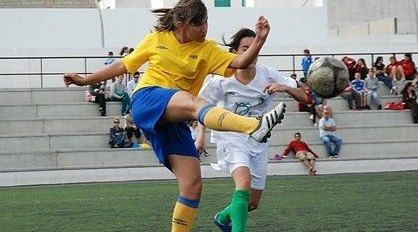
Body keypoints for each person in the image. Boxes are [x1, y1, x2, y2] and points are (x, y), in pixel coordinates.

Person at [63, 1, 281, 230]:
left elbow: (241, 62)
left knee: (192, 185)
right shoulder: (156, 39)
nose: (205, 28)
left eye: (207, 21)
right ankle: (252, 126)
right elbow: (124, 66)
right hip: (147, 100)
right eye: (198, 24)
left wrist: (260, 39)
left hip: (174, 118)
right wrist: (85, 80)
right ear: (180, 24)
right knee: (193, 102)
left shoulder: (207, 49)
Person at [196, 28, 307, 232]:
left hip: (258, 141)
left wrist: (285, 88)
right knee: (243, 182)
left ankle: (222, 217)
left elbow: (303, 97)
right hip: (230, 138)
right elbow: (201, 107)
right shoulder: (222, 79)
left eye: (254, 48)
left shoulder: (268, 74)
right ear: (235, 52)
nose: (251, 53)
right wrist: (200, 136)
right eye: (246, 48)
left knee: (252, 203)